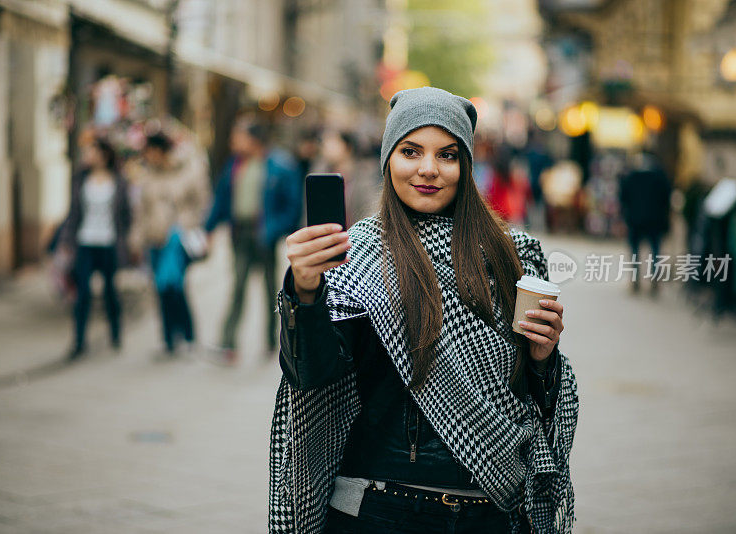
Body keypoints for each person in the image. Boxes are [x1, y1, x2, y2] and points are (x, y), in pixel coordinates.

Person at [269, 87, 579, 533]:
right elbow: (313, 375)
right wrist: (305, 291)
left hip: (489, 513)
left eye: (448, 155)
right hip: (379, 511)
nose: (429, 169)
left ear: (466, 166)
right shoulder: (356, 258)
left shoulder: (515, 257)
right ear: (388, 161)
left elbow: (529, 397)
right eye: (410, 151)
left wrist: (543, 358)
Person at [205, 120, 302, 363]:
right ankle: (228, 343)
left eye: (238, 137)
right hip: (240, 234)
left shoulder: (279, 165)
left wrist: (276, 230)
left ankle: (272, 343)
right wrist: (209, 229)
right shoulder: (234, 165)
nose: (233, 142)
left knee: (270, 291)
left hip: (265, 237)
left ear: (253, 139)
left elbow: (292, 207)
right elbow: (221, 200)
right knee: (238, 286)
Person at [130, 132, 208, 354]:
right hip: (154, 239)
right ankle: (169, 338)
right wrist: (136, 239)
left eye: (151, 151)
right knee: (161, 288)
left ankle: (187, 333)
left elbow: (201, 203)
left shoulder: (187, 171)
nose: (148, 156)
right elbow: (141, 212)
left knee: (174, 286)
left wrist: (186, 225)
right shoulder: (147, 177)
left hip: (177, 240)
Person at [60, 138, 131, 360]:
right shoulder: (81, 179)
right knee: (82, 294)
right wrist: (67, 240)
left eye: (91, 151)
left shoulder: (119, 181)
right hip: (86, 242)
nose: (87, 156)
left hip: (108, 243)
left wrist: (126, 241)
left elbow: (126, 215)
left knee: (110, 291)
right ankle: (79, 341)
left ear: (104, 155)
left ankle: (115, 333)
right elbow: (73, 213)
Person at [619, 150, 672, 295]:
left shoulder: (632, 177)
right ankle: (655, 279)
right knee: (655, 251)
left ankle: (636, 279)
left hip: (635, 220)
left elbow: (623, 197)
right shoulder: (659, 177)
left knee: (635, 251)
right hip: (655, 220)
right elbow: (667, 198)